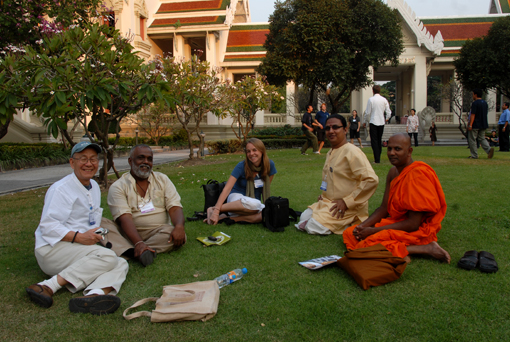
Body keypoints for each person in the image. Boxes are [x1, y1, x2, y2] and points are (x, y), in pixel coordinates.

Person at [26, 141, 128, 315]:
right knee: (108, 258)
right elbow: (48, 226)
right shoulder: (60, 189)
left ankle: (94, 295)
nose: (89, 163)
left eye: (93, 159)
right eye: (83, 159)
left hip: (76, 248)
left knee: (121, 262)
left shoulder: (94, 186)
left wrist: (94, 234)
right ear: (72, 162)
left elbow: (89, 220)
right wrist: (80, 238)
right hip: (51, 250)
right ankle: (47, 286)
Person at [343, 133, 451, 264]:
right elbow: (384, 208)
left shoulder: (417, 174)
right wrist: (362, 227)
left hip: (415, 229)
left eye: (397, 149)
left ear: (409, 151)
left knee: (367, 244)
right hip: (397, 223)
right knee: (350, 233)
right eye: (389, 148)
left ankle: (425, 248)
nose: (392, 153)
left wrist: (373, 231)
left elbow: (413, 224)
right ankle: (397, 248)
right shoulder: (393, 172)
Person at [101, 144, 186, 267]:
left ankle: (129, 251)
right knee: (101, 224)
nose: (145, 162)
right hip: (127, 233)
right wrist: (138, 241)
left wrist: (178, 226)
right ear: (130, 161)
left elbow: (174, 207)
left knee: (174, 233)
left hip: (159, 232)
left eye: (149, 159)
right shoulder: (118, 186)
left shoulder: (162, 179)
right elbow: (124, 218)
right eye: (140, 158)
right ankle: (136, 249)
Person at [296, 114, 378, 235]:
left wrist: (346, 201)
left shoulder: (352, 151)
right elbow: (332, 178)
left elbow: (371, 180)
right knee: (303, 217)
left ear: (345, 130)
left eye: (335, 127)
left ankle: (350, 223)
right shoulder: (331, 151)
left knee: (312, 226)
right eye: (328, 128)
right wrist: (324, 194)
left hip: (346, 207)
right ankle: (333, 222)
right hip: (328, 202)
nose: (331, 131)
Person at [205, 138, 277, 225]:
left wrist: (266, 207)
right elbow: (227, 188)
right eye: (248, 151)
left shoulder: (269, 165)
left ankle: (229, 218)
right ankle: (213, 209)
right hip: (236, 201)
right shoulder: (241, 166)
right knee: (255, 204)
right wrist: (217, 210)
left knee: (267, 214)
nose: (251, 154)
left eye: (254, 150)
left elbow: (264, 189)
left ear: (262, 151)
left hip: (252, 207)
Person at [364, 85, 391, 163]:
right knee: (379, 139)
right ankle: (378, 157)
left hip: (373, 121)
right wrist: (387, 118)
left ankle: (377, 159)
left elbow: (368, 112)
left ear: (373, 91)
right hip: (381, 121)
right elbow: (388, 111)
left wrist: (366, 121)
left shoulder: (371, 100)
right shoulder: (384, 99)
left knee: (374, 141)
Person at [467, 89, 494, 159]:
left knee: (472, 139)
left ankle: (474, 155)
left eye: (473, 94)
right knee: (482, 138)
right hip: (483, 123)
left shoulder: (475, 103)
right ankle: (488, 149)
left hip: (475, 123)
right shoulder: (485, 103)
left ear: (475, 95)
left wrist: (470, 124)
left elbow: (473, 114)